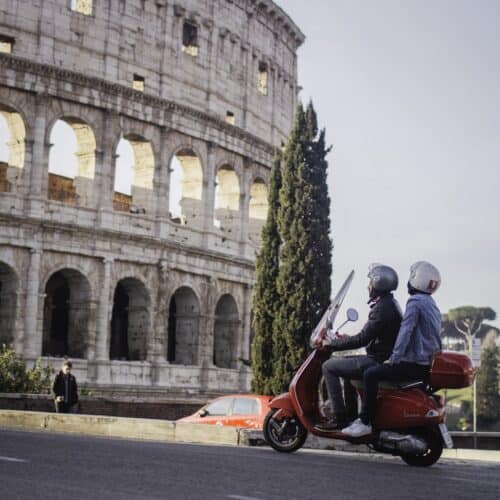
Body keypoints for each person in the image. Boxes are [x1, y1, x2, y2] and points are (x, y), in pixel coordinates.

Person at [342, 261, 442, 438]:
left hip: (413, 364)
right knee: (372, 372)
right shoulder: (430, 302)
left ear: (416, 280)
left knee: (370, 374)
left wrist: (394, 358)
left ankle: (365, 422)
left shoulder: (415, 302)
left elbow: (406, 331)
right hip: (425, 363)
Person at [315, 264, 402, 431]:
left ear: (378, 284)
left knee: (329, 366)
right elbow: (372, 335)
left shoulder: (382, 309)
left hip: (377, 361)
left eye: (370, 282)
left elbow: (362, 339)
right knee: (346, 370)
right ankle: (351, 416)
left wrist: (332, 343)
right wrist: (346, 339)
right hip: (381, 357)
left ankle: (339, 417)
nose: (368, 286)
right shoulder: (389, 304)